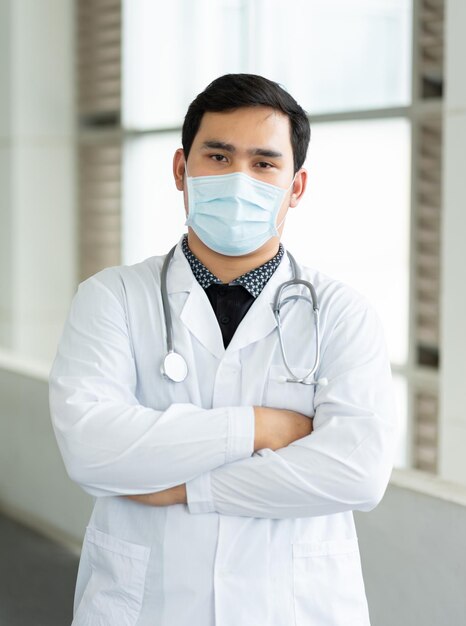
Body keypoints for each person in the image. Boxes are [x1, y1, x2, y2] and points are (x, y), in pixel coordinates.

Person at [49, 73, 396, 626]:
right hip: (149, 607)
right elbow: (93, 451)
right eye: (217, 156)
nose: (239, 179)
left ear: (296, 186)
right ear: (181, 170)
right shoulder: (110, 298)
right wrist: (259, 427)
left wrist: (186, 486)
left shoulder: (341, 312)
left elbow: (356, 472)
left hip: (293, 607)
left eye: (264, 163)